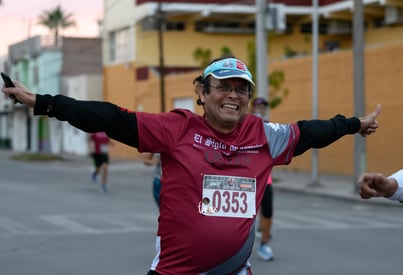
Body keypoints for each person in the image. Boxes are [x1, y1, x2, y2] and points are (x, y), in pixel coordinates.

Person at [2, 57, 381, 275]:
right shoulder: (177, 128)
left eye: (242, 89)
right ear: (202, 93)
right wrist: (43, 101)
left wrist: (353, 125)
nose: (234, 95)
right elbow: (108, 117)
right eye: (223, 87)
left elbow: (312, 131)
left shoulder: (265, 135)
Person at [250, 97, 274, 261]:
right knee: (244, 214)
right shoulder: (244, 124)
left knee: (268, 211)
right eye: (258, 106)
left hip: (265, 178)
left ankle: (264, 245)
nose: (261, 109)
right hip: (246, 178)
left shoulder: (271, 127)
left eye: (263, 107)